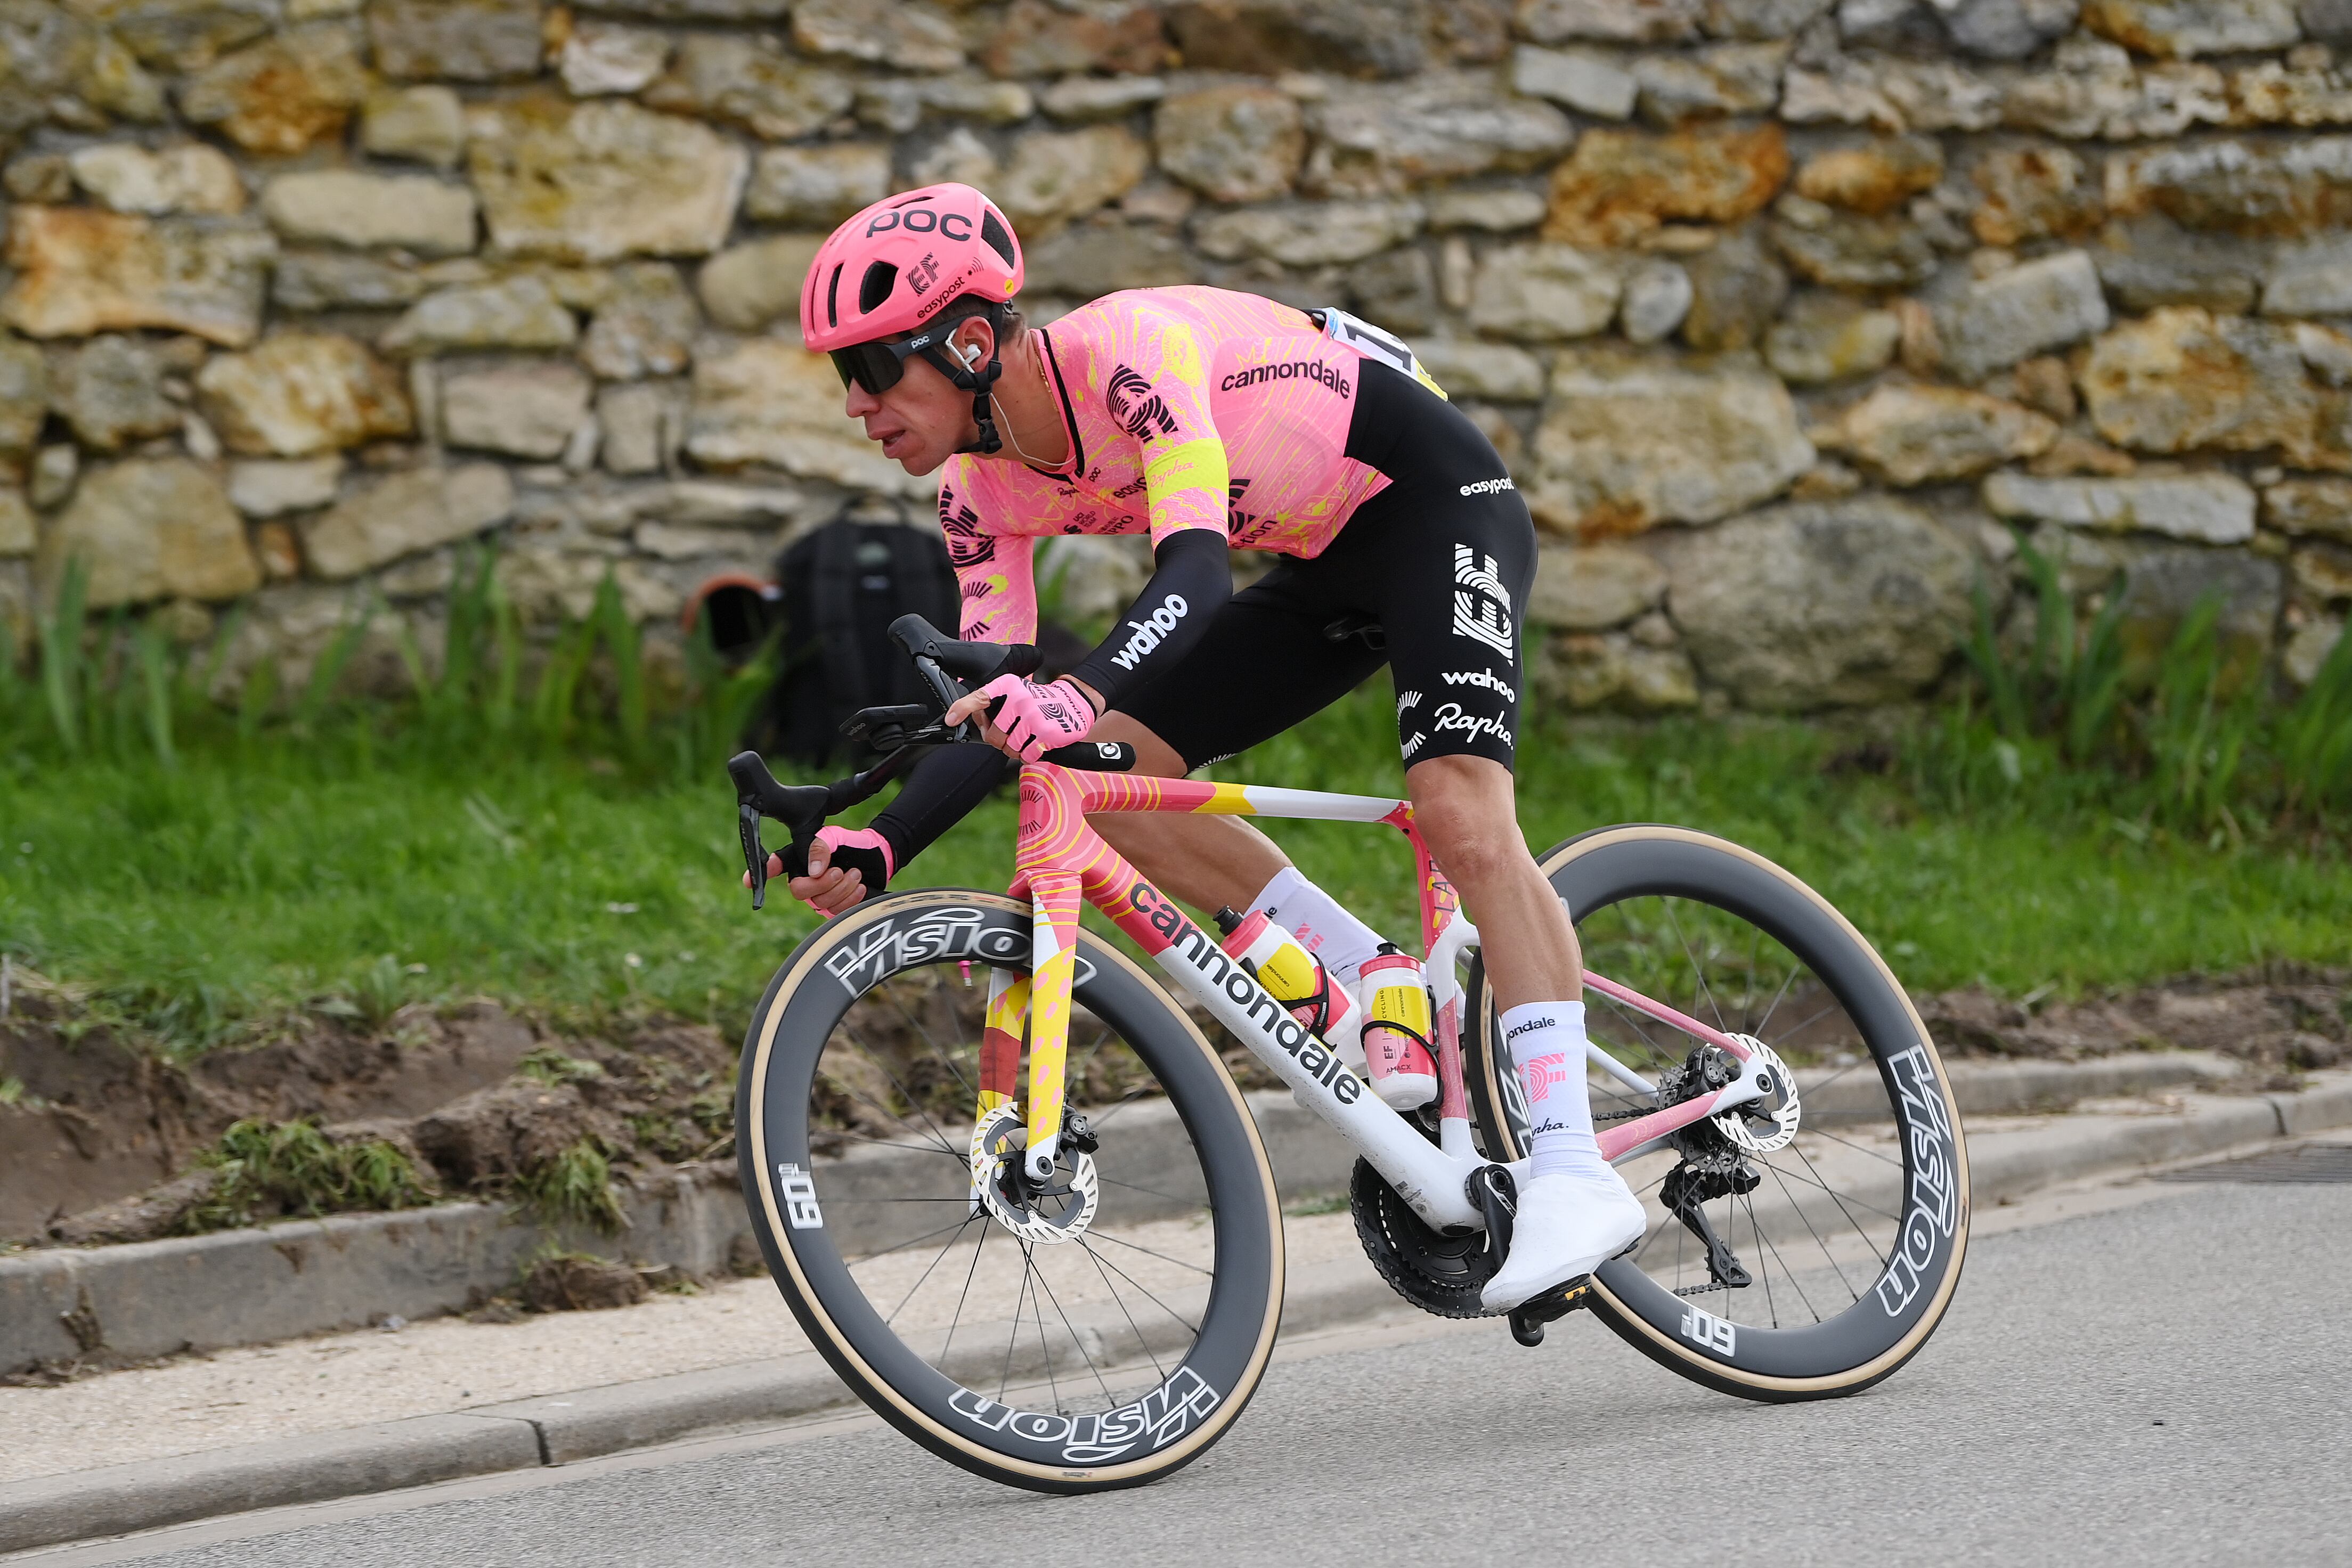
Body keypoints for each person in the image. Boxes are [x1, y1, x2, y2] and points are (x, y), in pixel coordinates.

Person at [763, 182, 1642, 1313]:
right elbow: (995, 713)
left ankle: (1572, 1169)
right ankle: (1368, 967)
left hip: (1434, 504)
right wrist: (881, 841)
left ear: (970, 342)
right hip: (1323, 562)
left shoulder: (1132, 355)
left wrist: (1076, 690)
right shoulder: (976, 497)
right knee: (1093, 786)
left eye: (876, 369)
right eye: (847, 377)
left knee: (1461, 812)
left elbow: (1194, 574)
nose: (857, 404)